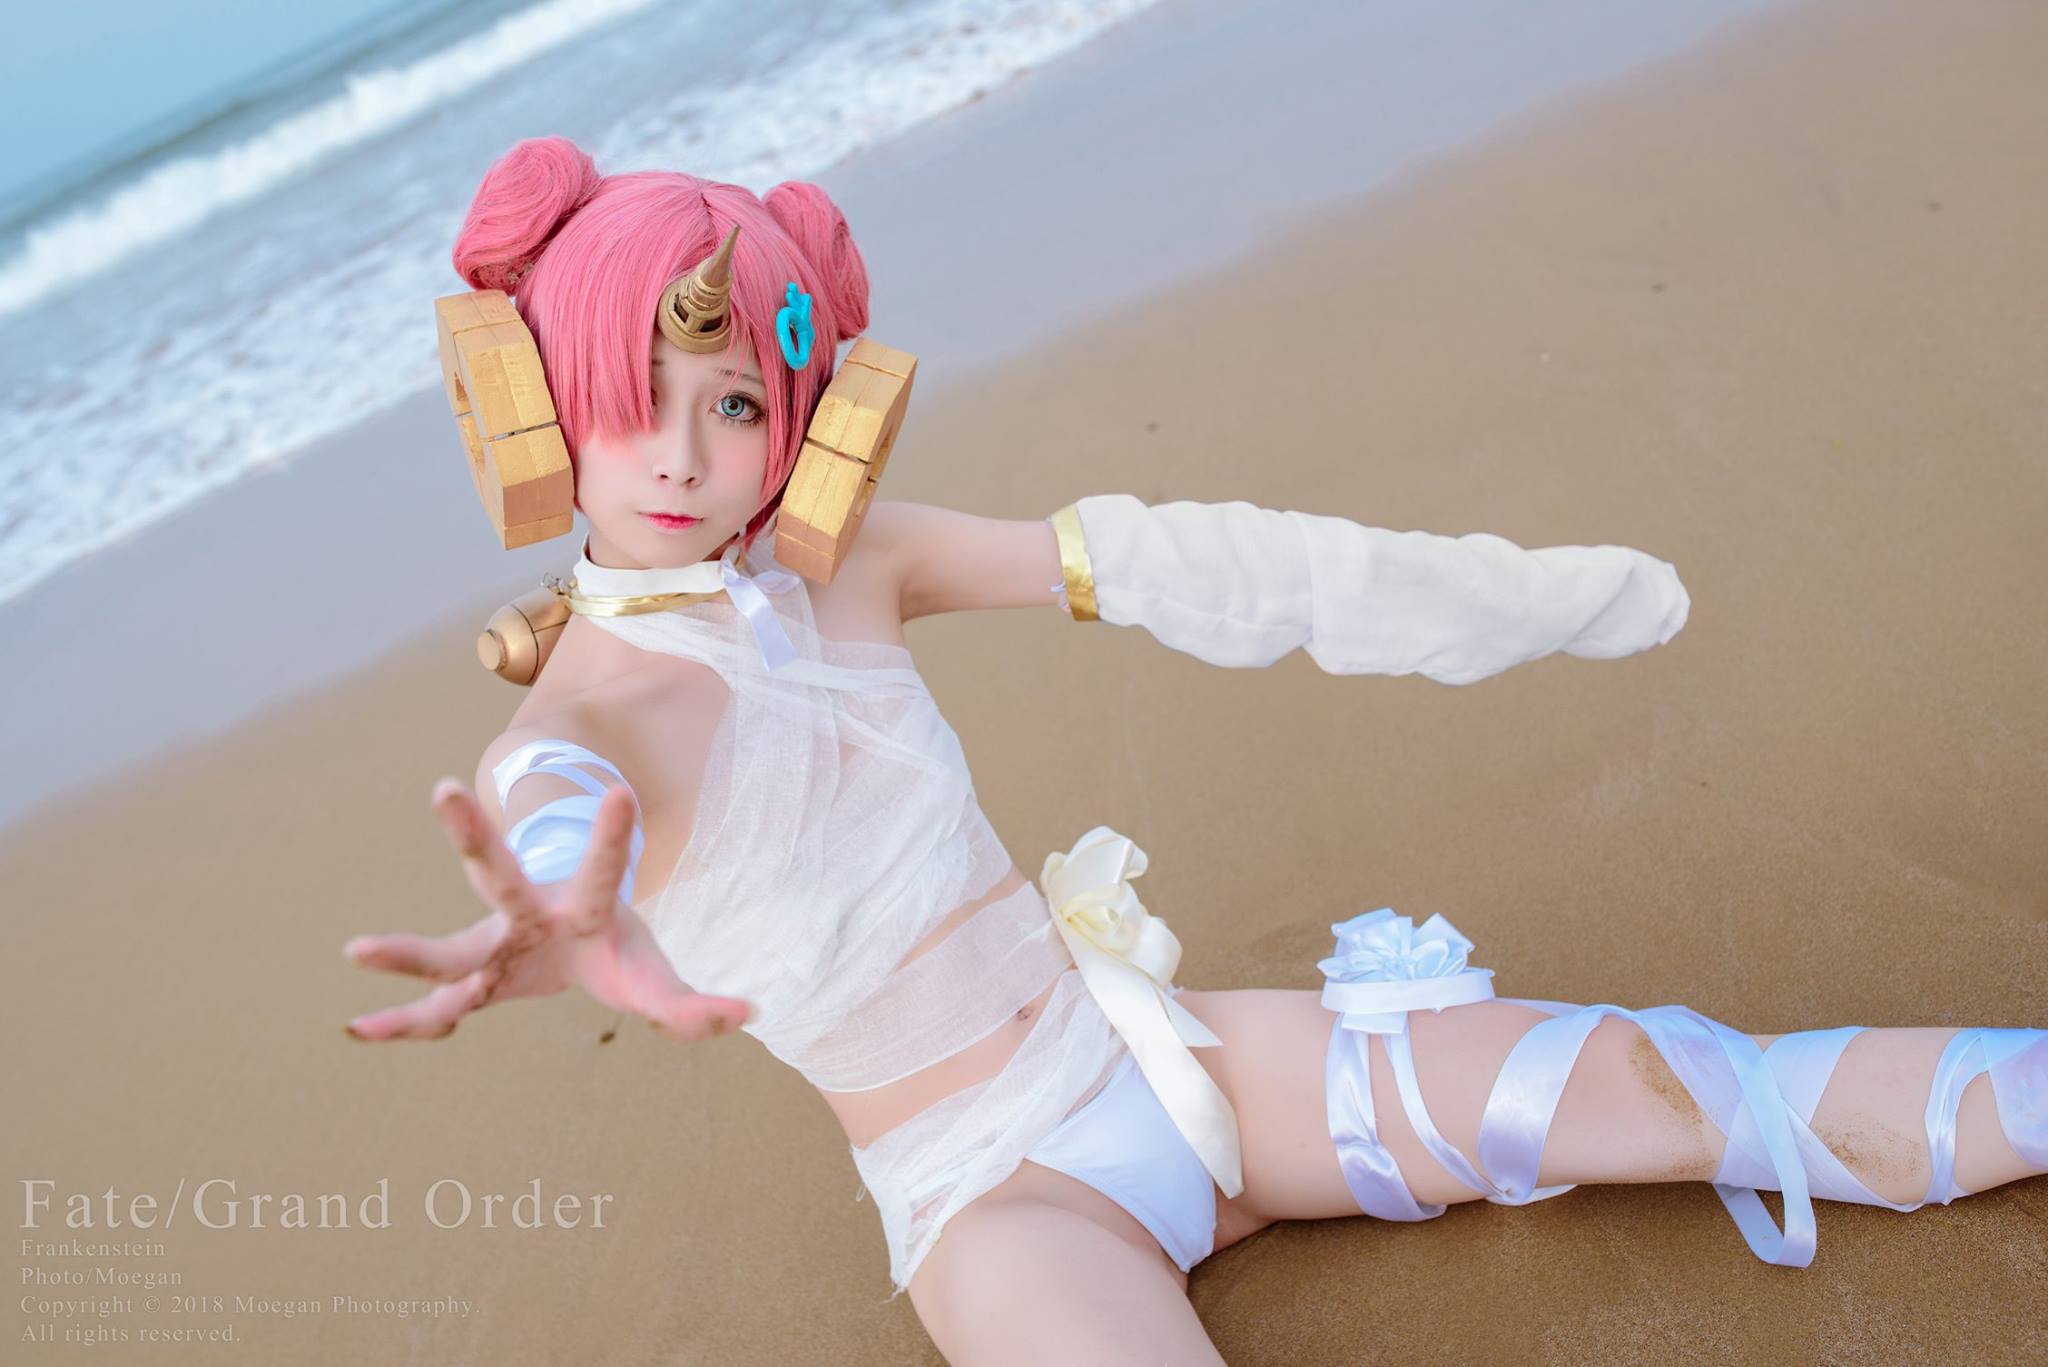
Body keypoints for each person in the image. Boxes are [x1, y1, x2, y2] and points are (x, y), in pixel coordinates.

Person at [340, 137, 2046, 1365]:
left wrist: (1512, 599)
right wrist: (564, 913)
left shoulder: (849, 564)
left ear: (795, 415)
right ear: (537, 401)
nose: (683, 453)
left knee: (1654, 1085)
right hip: (993, 1204)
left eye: (731, 401)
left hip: (1174, 1059)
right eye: (633, 391)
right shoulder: (578, 717)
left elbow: (1188, 561)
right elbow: (558, 808)